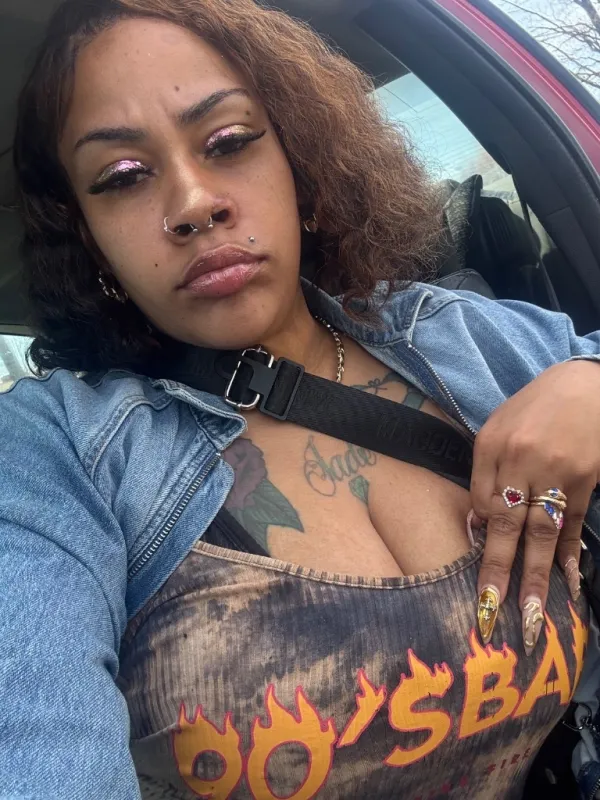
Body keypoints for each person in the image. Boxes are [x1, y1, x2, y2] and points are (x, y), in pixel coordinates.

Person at [2, 0, 600, 797]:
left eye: (229, 142)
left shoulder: (455, 338)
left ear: (302, 168)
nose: (194, 203)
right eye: (122, 178)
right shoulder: (59, 458)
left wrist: (590, 383)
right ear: (91, 240)